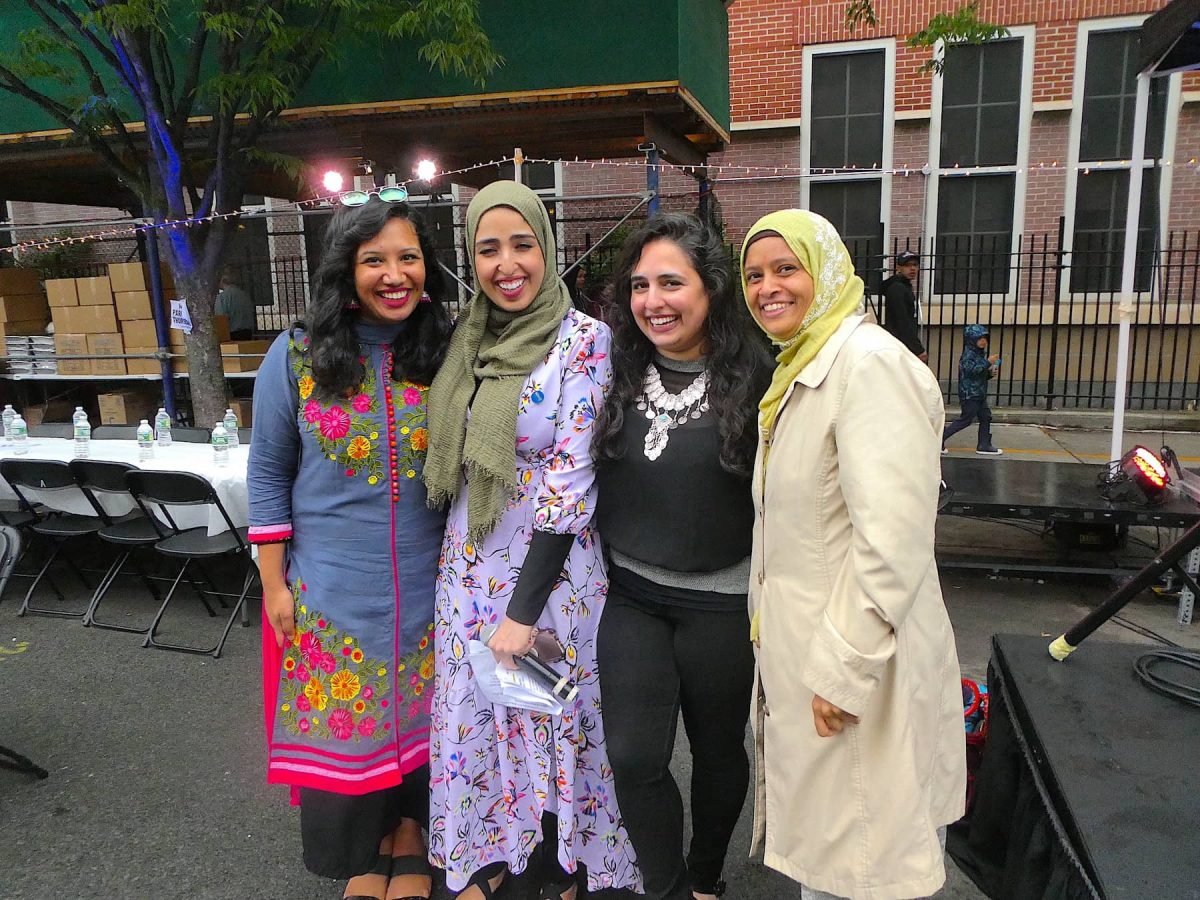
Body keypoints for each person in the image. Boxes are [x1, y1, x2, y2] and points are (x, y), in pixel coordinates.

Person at [739, 209, 966, 900]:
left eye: (786, 269)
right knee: (841, 865)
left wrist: (841, 671)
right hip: (823, 669)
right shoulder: (805, 366)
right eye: (754, 274)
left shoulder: (867, 367)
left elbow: (892, 542)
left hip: (859, 675)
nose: (768, 288)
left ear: (828, 272)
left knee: (867, 864)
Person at [423, 181, 640, 900]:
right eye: (488, 248)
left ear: (546, 248)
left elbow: (572, 481)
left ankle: (560, 868)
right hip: (471, 566)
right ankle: (502, 859)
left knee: (549, 717)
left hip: (547, 583)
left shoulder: (584, 341)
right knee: (483, 718)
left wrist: (521, 612)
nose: (506, 263)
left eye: (521, 245)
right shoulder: (471, 337)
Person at [248, 197, 452, 900]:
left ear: (427, 268)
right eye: (375, 260)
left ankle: (412, 836)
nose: (394, 275)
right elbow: (268, 475)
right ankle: (368, 850)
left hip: (430, 597)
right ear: (346, 269)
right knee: (354, 740)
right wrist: (274, 585)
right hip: (331, 596)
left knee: (425, 737)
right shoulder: (298, 354)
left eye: (408, 258)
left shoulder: (441, 350)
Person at [591, 213, 773, 900]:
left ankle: (704, 878)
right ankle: (666, 890)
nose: (652, 301)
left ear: (710, 288)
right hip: (633, 595)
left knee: (720, 753)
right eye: (640, 285)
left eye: (671, 282)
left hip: (724, 605)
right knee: (633, 756)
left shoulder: (760, 375)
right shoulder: (615, 367)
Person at [942, 324, 1002, 456]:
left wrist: (989, 374)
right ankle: (940, 438)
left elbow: (979, 375)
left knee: (985, 417)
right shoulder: (968, 355)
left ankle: (984, 444)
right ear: (971, 339)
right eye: (980, 338)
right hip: (970, 394)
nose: (983, 341)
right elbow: (971, 371)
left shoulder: (978, 354)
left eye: (985, 338)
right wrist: (988, 362)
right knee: (966, 419)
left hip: (978, 393)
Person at [879, 250, 925, 362]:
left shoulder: (905, 287)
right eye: (907, 265)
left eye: (915, 265)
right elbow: (902, 321)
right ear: (898, 268)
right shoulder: (898, 289)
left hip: (902, 345)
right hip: (899, 346)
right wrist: (918, 349)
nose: (913, 268)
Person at [216, 267, 256, 340]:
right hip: (247, 332)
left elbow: (221, 318)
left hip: (232, 333)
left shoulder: (222, 297)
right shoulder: (245, 295)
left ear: (222, 281)